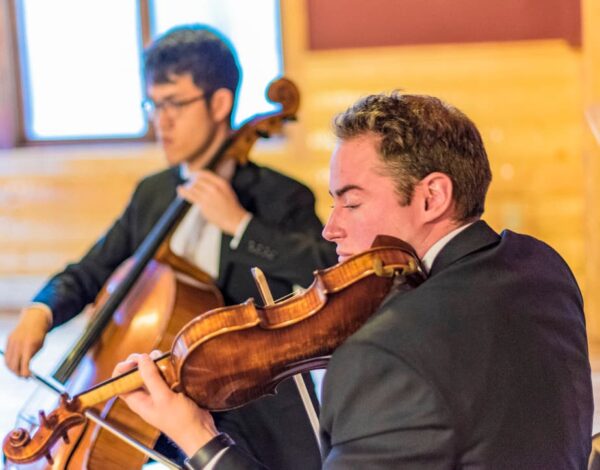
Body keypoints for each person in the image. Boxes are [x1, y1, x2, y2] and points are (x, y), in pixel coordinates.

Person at [114, 92, 593, 469]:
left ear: (432, 197)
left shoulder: (382, 354)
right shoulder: (541, 266)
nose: (331, 228)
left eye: (353, 202)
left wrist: (198, 437)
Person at [4, 24, 336, 469]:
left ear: (220, 103)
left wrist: (240, 225)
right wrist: (41, 310)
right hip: (150, 412)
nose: (161, 121)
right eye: (154, 105)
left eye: (174, 104)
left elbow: (324, 269)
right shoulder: (154, 194)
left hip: (252, 412)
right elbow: (91, 269)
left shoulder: (280, 196)